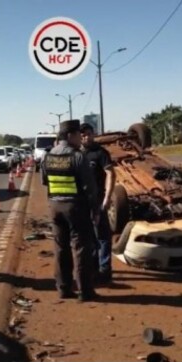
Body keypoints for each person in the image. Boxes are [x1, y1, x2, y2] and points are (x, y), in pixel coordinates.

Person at [41, 119, 99, 302]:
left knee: (60, 248)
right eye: (77, 135)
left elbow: (45, 181)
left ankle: (64, 288)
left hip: (55, 207)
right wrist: (95, 209)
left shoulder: (47, 156)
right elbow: (90, 187)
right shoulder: (77, 156)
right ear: (69, 135)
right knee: (81, 248)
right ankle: (85, 291)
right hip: (75, 207)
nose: (80, 139)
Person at [80, 123, 116, 284]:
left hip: (98, 201)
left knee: (102, 236)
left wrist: (107, 197)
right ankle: (93, 269)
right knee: (87, 237)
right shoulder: (76, 154)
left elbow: (110, 173)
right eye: (83, 135)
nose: (86, 137)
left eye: (89, 134)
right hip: (81, 203)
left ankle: (105, 270)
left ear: (94, 135)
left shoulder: (100, 153)